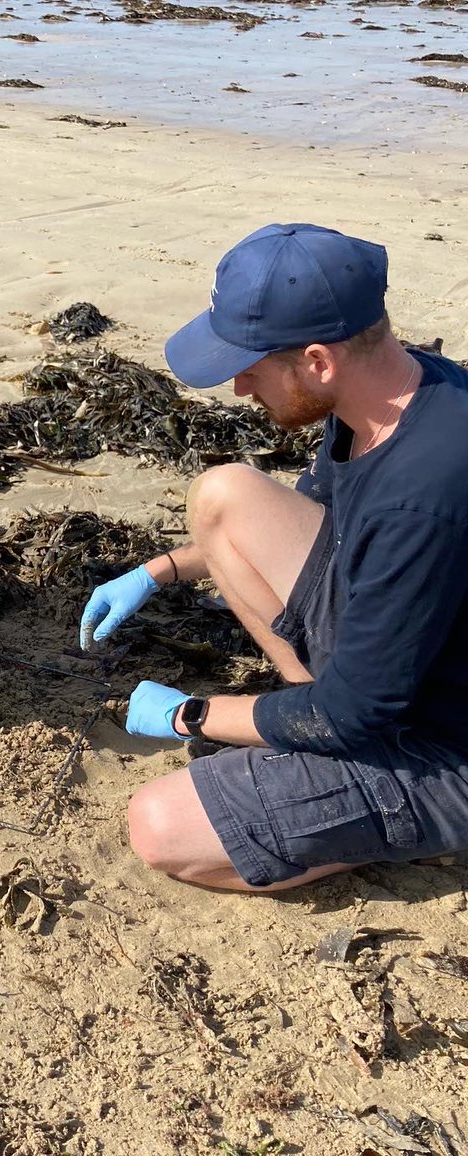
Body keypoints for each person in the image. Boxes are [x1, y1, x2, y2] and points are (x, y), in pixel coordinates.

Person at [79, 222, 468, 892]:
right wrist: (156, 571)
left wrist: (192, 714)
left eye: (251, 367)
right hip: (409, 666)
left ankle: (402, 825)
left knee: (161, 827)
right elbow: (314, 520)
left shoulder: (423, 495)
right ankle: (320, 747)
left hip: (443, 745)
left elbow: (351, 714)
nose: (239, 388)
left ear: (317, 361)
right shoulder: (387, 396)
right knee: (223, 496)